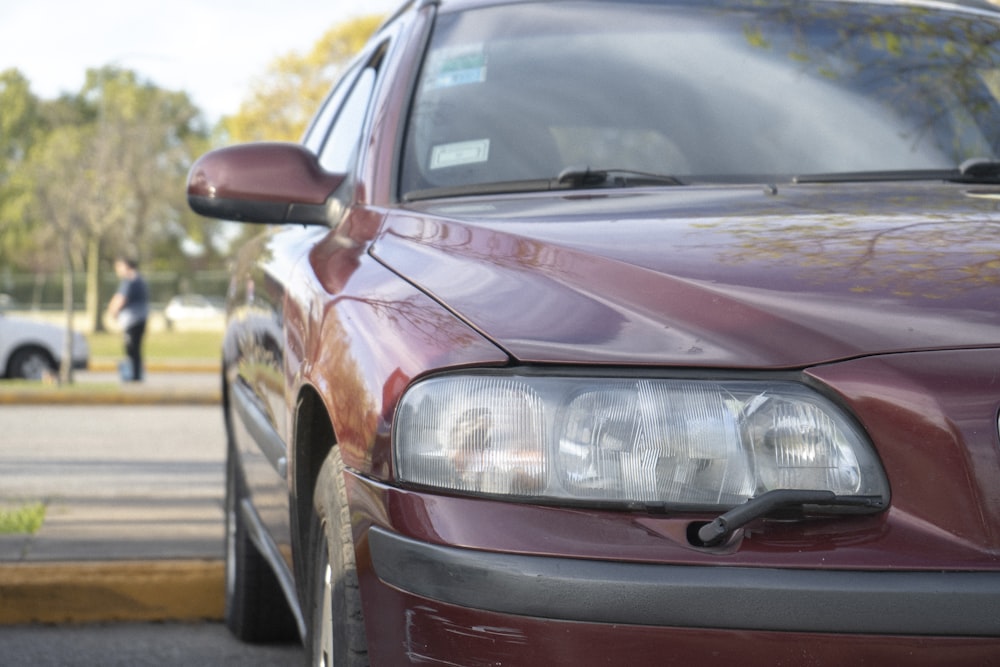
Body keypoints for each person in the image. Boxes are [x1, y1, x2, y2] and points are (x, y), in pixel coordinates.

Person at [106, 256, 149, 382]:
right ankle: (136, 373)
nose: (117, 270)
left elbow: (121, 298)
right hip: (139, 318)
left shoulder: (130, 280)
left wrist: (113, 311)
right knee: (135, 349)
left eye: (119, 267)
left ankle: (135, 375)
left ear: (126, 266)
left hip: (133, 320)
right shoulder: (139, 279)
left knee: (131, 348)